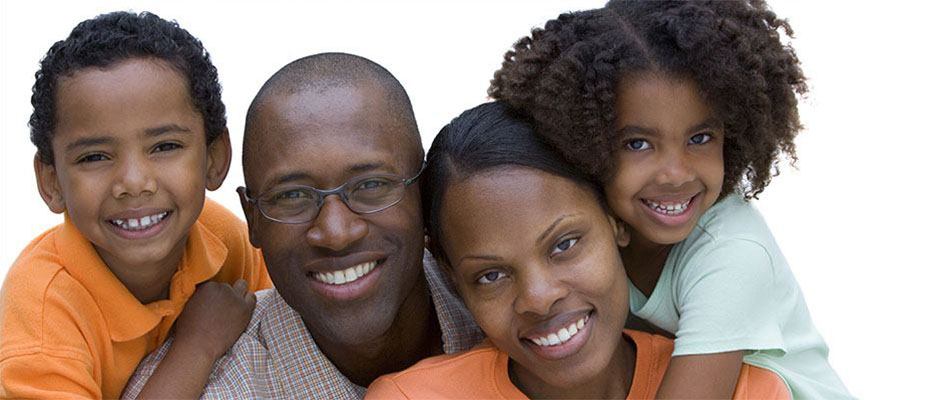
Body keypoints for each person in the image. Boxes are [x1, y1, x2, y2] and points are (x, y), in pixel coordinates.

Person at [488, 1, 851, 398]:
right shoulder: (586, 231)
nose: (676, 174)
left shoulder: (733, 252)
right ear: (583, 143)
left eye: (700, 138)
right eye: (638, 143)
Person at [365, 101, 790, 399]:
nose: (538, 297)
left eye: (564, 245)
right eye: (491, 275)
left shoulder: (744, 392)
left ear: (615, 220)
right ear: (452, 279)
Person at [121, 52, 483, 399]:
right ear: (253, 219)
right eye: (293, 196)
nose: (336, 234)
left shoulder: (507, 307)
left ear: (423, 191)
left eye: (371, 185)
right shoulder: (203, 386)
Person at [0, 11, 271, 398]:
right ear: (51, 182)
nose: (133, 183)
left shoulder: (219, 237)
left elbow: (287, 332)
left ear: (214, 158)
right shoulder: (45, 309)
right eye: (94, 157)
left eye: (164, 147)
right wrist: (197, 347)